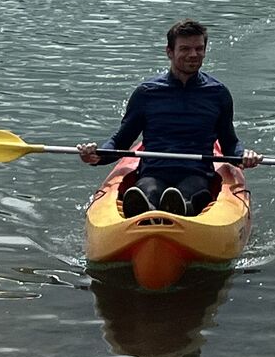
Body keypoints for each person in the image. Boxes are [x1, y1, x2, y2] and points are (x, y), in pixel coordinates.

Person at [78, 19, 261, 215]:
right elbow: (121, 141)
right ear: (169, 52)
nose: (193, 54)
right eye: (185, 49)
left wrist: (243, 155)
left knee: (188, 191)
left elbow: (229, 143)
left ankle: (181, 208)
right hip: (153, 173)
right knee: (147, 190)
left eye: (199, 49)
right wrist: (97, 155)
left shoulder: (218, 94)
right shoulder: (146, 93)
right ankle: (147, 211)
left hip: (196, 174)